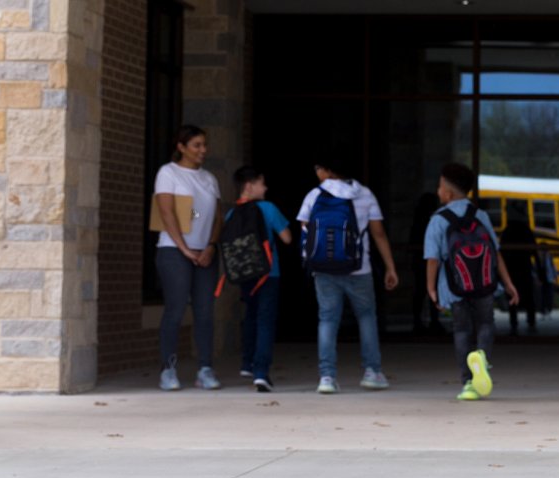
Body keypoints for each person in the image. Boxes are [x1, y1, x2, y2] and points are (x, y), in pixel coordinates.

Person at [297, 161, 400, 394]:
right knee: (366, 317)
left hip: (323, 269)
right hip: (358, 267)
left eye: (318, 168)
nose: (316, 173)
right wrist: (390, 267)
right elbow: (379, 234)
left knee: (327, 319)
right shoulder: (364, 194)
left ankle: (326, 377)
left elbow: (306, 230)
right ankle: (372, 372)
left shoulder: (314, 195)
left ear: (327, 170)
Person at [426, 163, 520, 401]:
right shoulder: (480, 215)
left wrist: (431, 289)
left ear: (447, 193)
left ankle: (468, 382)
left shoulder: (438, 219)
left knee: (461, 330)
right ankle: (482, 358)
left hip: (455, 287)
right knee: (486, 323)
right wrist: (508, 283)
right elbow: (495, 253)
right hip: (485, 284)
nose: (438, 192)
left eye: (439, 187)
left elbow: (432, 260)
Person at [153, 125, 224, 391]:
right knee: (176, 308)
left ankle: (205, 369)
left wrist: (211, 246)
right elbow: (167, 212)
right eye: (196, 145)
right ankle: (168, 369)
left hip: (205, 252)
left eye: (204, 145)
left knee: (205, 312)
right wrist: (184, 249)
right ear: (181, 147)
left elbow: (216, 217)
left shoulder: (209, 178)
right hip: (174, 251)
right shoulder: (168, 173)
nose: (203, 150)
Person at [225, 166, 292, 392]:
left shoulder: (231, 213)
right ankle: (261, 372)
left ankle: (247, 363)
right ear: (249, 186)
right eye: (262, 183)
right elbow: (287, 238)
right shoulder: (268, 208)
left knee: (251, 316)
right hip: (269, 274)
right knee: (265, 320)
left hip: (245, 276)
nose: (266, 187)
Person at [500, 204, 539, 334]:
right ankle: (531, 321)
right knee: (528, 296)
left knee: (513, 295)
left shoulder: (507, 231)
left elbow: (501, 252)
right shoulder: (526, 230)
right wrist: (540, 269)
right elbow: (535, 251)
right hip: (524, 268)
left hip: (511, 269)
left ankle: (514, 322)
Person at [410, 193, 444, 334]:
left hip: (420, 260)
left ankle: (424, 321)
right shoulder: (430, 221)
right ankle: (429, 321)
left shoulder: (421, 220)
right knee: (428, 291)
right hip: (424, 260)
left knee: (422, 292)